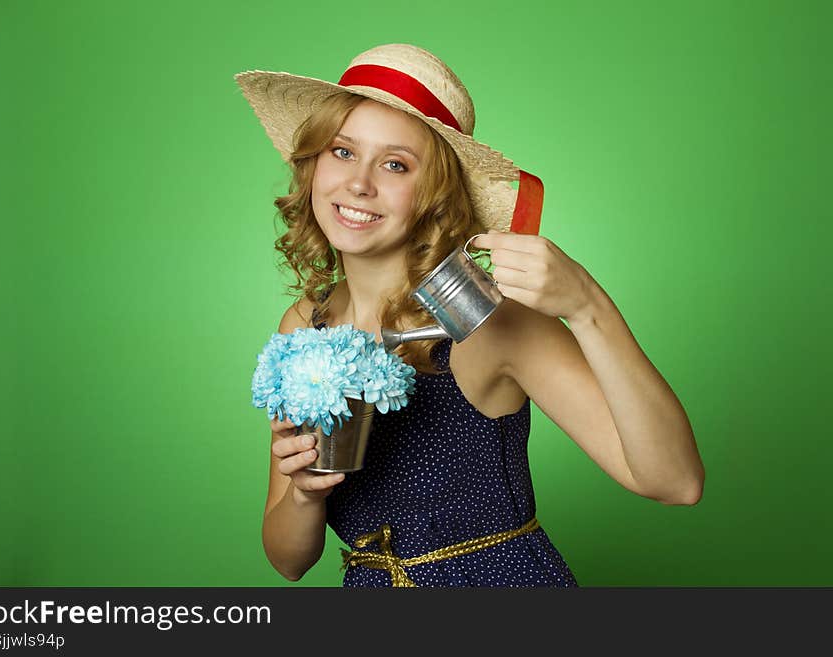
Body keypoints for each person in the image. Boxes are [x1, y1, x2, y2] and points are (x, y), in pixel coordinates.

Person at [235, 44, 704, 587]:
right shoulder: (305, 326)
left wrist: (588, 307)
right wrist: (305, 491)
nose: (359, 183)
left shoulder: (489, 324)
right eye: (342, 152)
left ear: (435, 194)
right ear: (314, 166)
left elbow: (675, 482)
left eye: (395, 164)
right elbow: (289, 560)